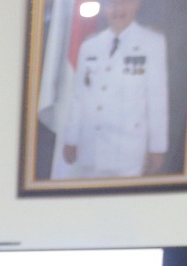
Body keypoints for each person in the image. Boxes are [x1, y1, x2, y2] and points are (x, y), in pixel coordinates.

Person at [59, 0, 169, 179]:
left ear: (137, 4)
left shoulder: (152, 43)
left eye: (124, 2)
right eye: (111, 3)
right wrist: (71, 139)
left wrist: (157, 147)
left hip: (127, 152)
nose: (118, 9)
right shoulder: (89, 46)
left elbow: (157, 100)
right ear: (103, 8)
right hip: (90, 148)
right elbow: (78, 97)